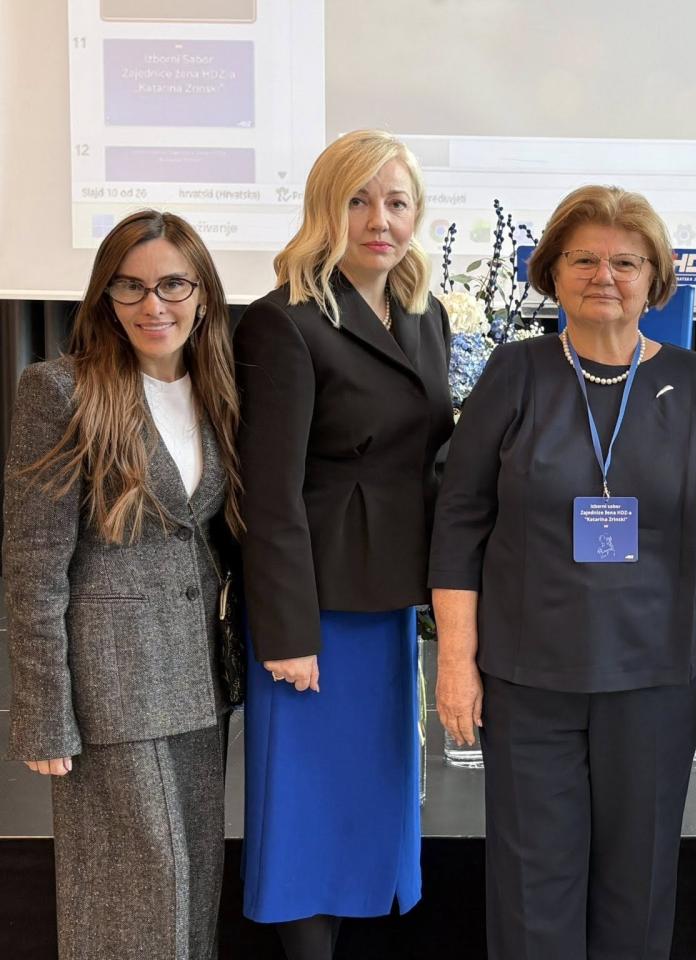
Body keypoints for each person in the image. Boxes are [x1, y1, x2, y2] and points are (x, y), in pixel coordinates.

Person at [429, 184, 696, 960]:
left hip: (659, 677)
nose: (603, 275)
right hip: (527, 677)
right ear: (553, 271)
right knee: (530, 887)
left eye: (625, 261)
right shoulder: (515, 372)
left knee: (637, 890)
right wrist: (454, 662)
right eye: (583, 259)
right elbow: (459, 522)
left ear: (655, 279)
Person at [235, 129, 454, 960]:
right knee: (307, 812)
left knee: (366, 802)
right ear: (325, 209)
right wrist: (288, 632)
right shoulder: (282, 322)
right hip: (316, 610)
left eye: (396, 202)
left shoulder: (423, 314)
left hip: (387, 600)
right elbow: (271, 494)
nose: (379, 220)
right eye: (358, 200)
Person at [4, 209, 241, 959]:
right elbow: (33, 565)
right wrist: (44, 714)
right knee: (132, 905)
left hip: (200, 684)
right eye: (130, 286)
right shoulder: (60, 390)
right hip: (110, 690)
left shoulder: (220, 391)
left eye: (172, 284)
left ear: (201, 292)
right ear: (105, 296)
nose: (152, 304)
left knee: (191, 896)